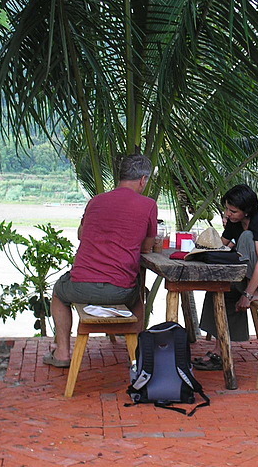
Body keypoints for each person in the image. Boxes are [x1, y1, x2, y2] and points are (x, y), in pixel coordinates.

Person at [44, 154, 157, 368]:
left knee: (59, 293)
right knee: (138, 299)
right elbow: (147, 247)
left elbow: (81, 233)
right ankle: (138, 356)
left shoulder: (95, 201)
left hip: (80, 286)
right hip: (119, 290)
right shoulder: (148, 205)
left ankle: (62, 353)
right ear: (143, 180)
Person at [195, 183, 258, 370]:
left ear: (247, 211)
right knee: (220, 290)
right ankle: (220, 351)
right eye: (226, 209)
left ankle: (253, 291)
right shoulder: (234, 224)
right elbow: (221, 248)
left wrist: (248, 294)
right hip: (255, 279)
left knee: (247, 237)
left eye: (233, 211)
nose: (228, 214)